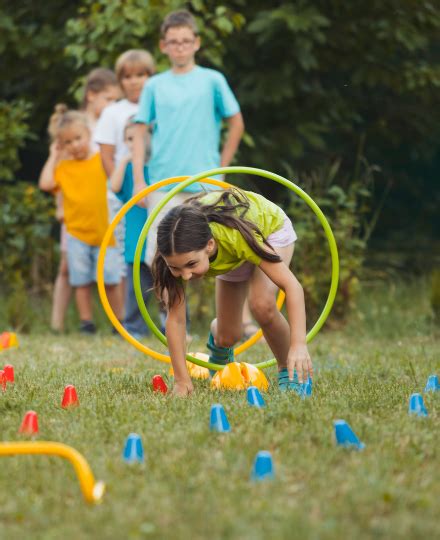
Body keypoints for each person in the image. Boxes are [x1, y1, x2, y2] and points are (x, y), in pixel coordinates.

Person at [152, 188, 313, 397]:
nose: (185, 276)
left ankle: (288, 371)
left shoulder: (235, 237)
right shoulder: (173, 253)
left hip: (268, 231)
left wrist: (299, 344)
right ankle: (219, 347)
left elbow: (293, 287)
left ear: (209, 246)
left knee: (262, 305)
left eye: (191, 264)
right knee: (228, 336)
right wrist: (182, 381)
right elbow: (176, 320)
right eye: (176, 268)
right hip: (232, 253)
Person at [39, 108, 122, 334]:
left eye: (78, 138)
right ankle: (87, 324)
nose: (74, 145)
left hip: (106, 233)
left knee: (111, 281)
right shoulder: (63, 167)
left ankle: (119, 324)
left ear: (88, 134)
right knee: (81, 282)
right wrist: (54, 155)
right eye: (67, 142)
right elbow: (46, 184)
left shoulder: (99, 160)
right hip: (76, 234)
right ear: (60, 145)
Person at [94, 50, 156, 323]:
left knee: (156, 253)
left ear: (150, 77)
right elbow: (106, 155)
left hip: (155, 188)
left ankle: (166, 318)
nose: (135, 82)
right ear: (120, 81)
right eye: (128, 77)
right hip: (124, 193)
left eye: (141, 75)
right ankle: (128, 320)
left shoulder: (157, 106)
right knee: (128, 257)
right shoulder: (113, 112)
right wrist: (121, 190)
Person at [110, 118, 152, 339]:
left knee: (169, 285)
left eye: (138, 139)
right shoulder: (127, 170)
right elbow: (114, 187)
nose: (134, 143)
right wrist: (126, 159)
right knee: (137, 290)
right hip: (136, 240)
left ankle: (172, 326)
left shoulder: (157, 167)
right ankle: (134, 327)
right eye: (129, 139)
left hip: (157, 240)